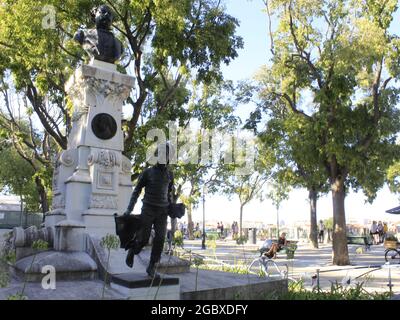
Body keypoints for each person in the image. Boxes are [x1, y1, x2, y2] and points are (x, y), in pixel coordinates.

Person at [123, 142, 174, 278]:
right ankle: (133, 250)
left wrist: (172, 207)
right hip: (148, 208)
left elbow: (169, 194)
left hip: (162, 211)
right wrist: (129, 209)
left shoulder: (170, 175)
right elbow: (137, 190)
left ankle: (151, 266)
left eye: (167, 155)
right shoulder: (148, 172)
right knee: (144, 238)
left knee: (160, 239)